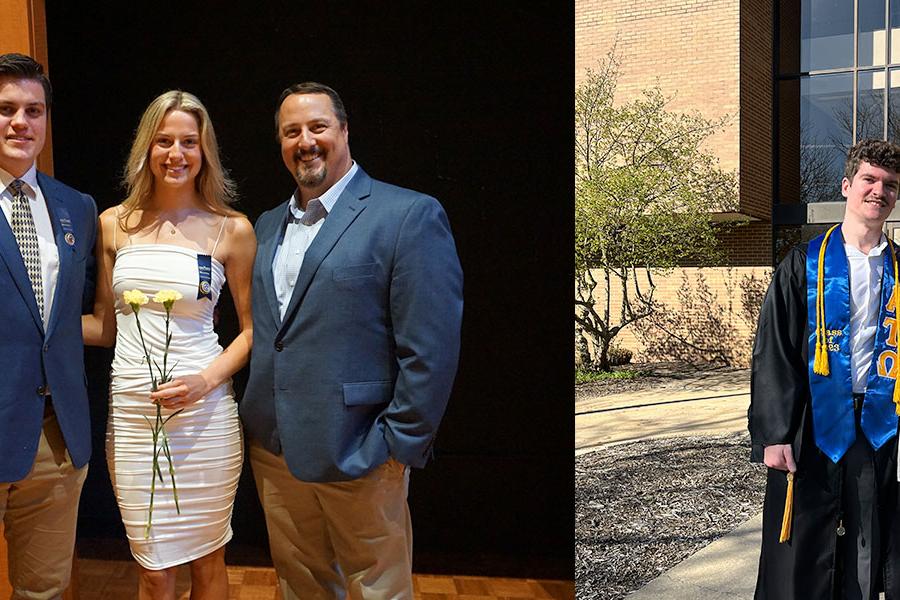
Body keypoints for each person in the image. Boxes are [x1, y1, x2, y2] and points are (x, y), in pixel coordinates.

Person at [242, 82, 463, 599]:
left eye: (318, 126)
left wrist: (398, 445)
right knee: (300, 587)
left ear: (343, 130)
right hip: (275, 449)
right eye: (291, 131)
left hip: (362, 449)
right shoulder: (267, 225)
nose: (305, 141)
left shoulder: (407, 214)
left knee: (378, 589)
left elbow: (430, 348)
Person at [82, 90, 256, 599]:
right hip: (134, 417)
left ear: (205, 152)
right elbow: (104, 326)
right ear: (147, 148)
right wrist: (29, 323)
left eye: (188, 142)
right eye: (164, 141)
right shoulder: (113, 223)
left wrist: (205, 381)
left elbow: (251, 331)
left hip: (205, 419)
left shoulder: (233, 229)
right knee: (153, 569)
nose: (176, 153)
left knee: (208, 559)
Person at [749, 138, 900, 599]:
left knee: (868, 532)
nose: (879, 191)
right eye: (870, 180)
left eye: (890, 185)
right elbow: (774, 349)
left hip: (881, 417)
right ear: (847, 185)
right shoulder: (803, 263)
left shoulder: (899, 268)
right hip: (814, 418)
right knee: (807, 535)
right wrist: (775, 432)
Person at [0, 52, 97, 598]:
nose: (21, 122)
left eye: (33, 110)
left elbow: (70, 315)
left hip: (55, 440)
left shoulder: (75, 207)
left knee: (43, 591)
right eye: (6, 108)